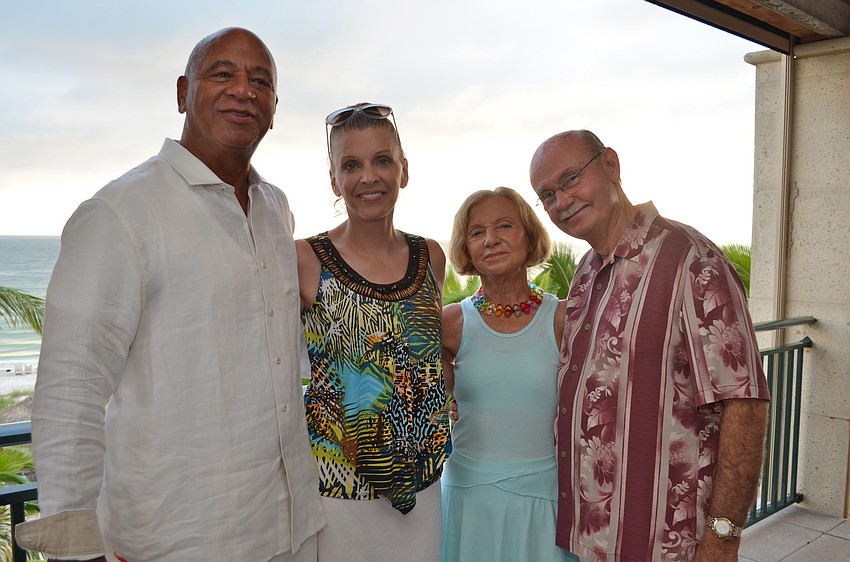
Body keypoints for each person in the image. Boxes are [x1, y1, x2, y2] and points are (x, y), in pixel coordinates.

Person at [15, 28, 325, 562]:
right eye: (222, 74)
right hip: (177, 538)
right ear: (183, 92)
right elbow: (71, 388)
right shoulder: (120, 212)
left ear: (274, 109)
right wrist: (78, 549)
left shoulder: (275, 209)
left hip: (288, 526)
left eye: (260, 81)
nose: (243, 90)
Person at [528, 129, 770, 562]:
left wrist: (724, 537)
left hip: (666, 544)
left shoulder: (691, 260)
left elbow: (745, 403)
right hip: (593, 539)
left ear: (611, 165)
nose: (561, 201)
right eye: (547, 195)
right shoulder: (585, 271)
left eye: (570, 179)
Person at [296, 103, 451, 562]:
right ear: (333, 179)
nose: (368, 177)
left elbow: (428, 358)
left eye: (382, 160)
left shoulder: (431, 256)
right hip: (337, 493)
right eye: (351, 165)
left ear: (404, 170)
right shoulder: (304, 259)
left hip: (424, 487)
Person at [440, 187, 578, 562]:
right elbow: (423, 392)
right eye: (477, 232)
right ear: (466, 248)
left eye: (504, 225)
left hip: (543, 504)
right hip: (468, 501)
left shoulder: (564, 319)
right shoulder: (450, 323)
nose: (491, 239)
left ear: (529, 236)